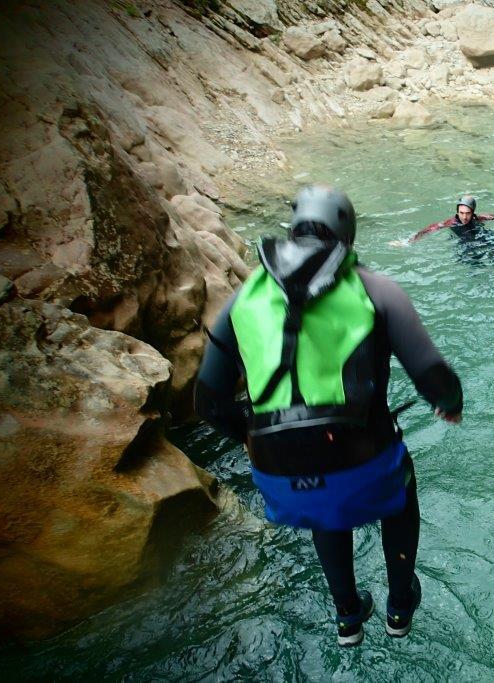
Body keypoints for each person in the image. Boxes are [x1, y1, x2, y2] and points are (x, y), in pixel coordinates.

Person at [194, 185, 463, 647]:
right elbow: (432, 373)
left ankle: (347, 616)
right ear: (348, 235)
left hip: (279, 473)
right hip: (365, 461)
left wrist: (249, 437)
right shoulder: (375, 289)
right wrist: (449, 404)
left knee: (322, 498)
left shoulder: (244, 298)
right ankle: (401, 603)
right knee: (400, 491)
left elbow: (208, 402)